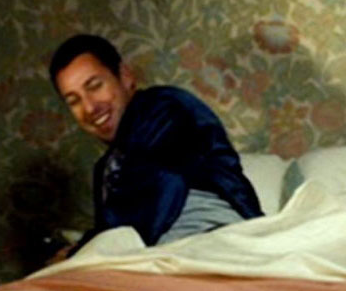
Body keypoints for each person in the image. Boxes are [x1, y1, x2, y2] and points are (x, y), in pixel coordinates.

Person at [48, 34, 261, 258]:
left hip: (213, 241)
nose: (89, 108)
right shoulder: (104, 169)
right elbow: (113, 234)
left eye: (95, 86)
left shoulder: (164, 109)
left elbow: (153, 195)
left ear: (125, 76)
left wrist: (80, 253)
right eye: (74, 101)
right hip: (155, 258)